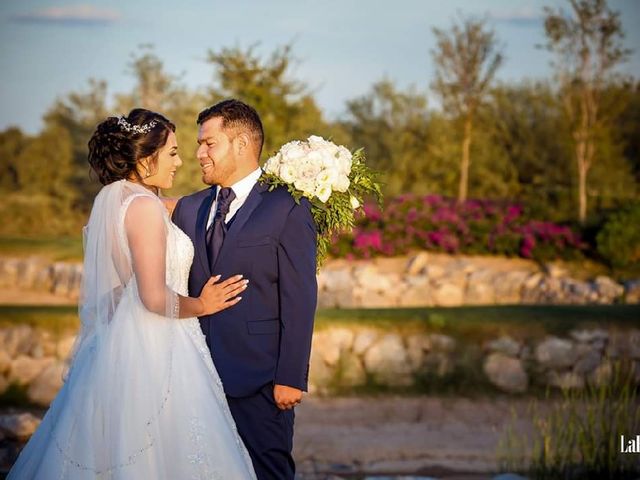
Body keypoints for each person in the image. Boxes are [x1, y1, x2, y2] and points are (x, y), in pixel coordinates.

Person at [7, 108, 256, 479]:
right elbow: (154, 297)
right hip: (160, 349)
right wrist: (203, 304)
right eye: (172, 153)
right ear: (144, 159)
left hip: (126, 344)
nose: (181, 161)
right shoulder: (143, 208)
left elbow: (116, 290)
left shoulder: (117, 204)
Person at [171, 99, 318, 480]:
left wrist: (290, 376)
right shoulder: (190, 207)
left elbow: (300, 298)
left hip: (261, 379)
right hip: (196, 373)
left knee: (267, 472)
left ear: (240, 145)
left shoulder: (288, 206)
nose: (198, 153)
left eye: (209, 143)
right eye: (199, 144)